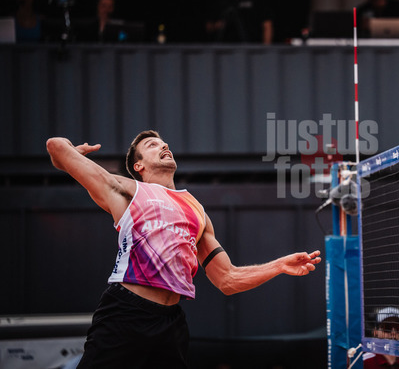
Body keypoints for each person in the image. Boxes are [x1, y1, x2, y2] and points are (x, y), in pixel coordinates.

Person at [46, 130, 321, 368]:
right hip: (126, 313)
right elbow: (55, 147)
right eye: (152, 145)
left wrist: (278, 266)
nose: (164, 145)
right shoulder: (125, 189)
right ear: (139, 166)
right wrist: (72, 154)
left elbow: (227, 279)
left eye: (164, 142)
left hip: (170, 324)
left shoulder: (197, 210)